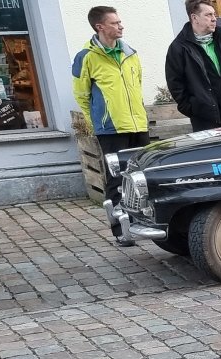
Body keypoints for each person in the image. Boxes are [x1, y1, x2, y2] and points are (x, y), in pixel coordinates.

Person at [75, 6, 149, 245]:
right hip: (111, 129)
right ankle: (121, 231)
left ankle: (145, 224)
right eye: (115, 23)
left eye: (120, 22)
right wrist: (98, 122)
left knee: (142, 177)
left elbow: (137, 86)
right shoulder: (86, 57)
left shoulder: (130, 53)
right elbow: (82, 95)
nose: (121, 26)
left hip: (138, 125)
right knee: (117, 181)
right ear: (100, 27)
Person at [165, 0, 221, 132]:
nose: (214, 19)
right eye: (208, 15)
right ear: (194, 18)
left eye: (214, 14)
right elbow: (175, 84)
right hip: (206, 120)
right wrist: (194, 109)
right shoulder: (179, 48)